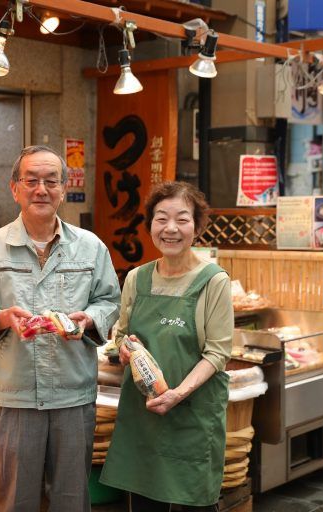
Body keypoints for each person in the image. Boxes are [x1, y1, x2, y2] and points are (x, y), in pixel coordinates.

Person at [0, 145, 121, 512]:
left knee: (71, 500)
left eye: (51, 181)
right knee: (16, 500)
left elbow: (111, 301)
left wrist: (90, 318)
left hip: (73, 396)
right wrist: (2, 318)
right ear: (14, 188)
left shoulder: (90, 247)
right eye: (31, 181)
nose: (41, 190)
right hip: (16, 396)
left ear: (63, 188)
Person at [100, 181, 232, 511]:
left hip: (192, 414)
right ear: (150, 225)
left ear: (198, 226)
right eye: (161, 218)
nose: (170, 228)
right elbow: (120, 335)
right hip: (143, 415)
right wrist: (125, 348)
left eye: (182, 219)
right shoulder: (137, 278)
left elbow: (217, 353)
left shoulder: (214, 281)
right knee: (144, 503)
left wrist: (177, 393)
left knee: (195, 502)